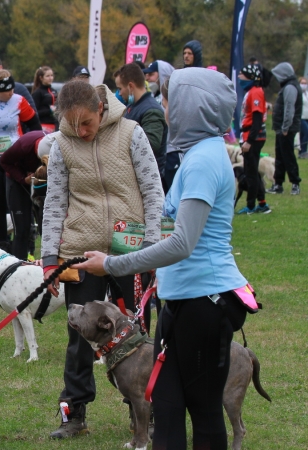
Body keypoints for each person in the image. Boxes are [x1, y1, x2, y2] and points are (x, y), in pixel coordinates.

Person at [74, 67, 248, 450]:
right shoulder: (197, 154)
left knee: (203, 411)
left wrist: (113, 265)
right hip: (183, 300)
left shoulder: (203, 161)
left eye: (169, 102)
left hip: (205, 301)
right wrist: (124, 249)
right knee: (166, 406)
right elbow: (170, 232)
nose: (164, 110)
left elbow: (183, 243)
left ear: (191, 107)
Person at [41, 80, 163, 439]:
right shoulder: (62, 145)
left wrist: (152, 248)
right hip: (81, 251)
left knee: (138, 335)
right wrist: (51, 258)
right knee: (79, 335)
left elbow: (153, 190)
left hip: (131, 251)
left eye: (86, 123)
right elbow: (54, 203)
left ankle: (145, 410)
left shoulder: (132, 133)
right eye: (72, 124)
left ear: (100, 108)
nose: (81, 132)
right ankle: (73, 412)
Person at [0, 69, 42, 249]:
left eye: (13, 88)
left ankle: (24, 248)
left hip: (14, 161)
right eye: (7, 90)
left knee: (18, 208)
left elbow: (35, 126)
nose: (12, 92)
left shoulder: (19, 101)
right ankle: (0, 249)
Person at [115, 63, 167, 187]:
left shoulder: (151, 110)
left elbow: (151, 144)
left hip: (148, 181)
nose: (120, 93)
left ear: (130, 86)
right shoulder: (132, 107)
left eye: (120, 88)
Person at [0, 130, 49, 259]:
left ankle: (49, 266)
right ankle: (17, 267)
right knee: (22, 229)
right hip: (18, 183)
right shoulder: (23, 146)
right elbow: (4, 161)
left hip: (41, 181)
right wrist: (22, 178)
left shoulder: (56, 144)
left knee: (47, 227)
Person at [236, 64, 271, 214]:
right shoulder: (251, 91)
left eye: (242, 75)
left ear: (251, 77)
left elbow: (257, 120)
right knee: (253, 171)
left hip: (253, 137)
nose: (239, 77)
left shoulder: (255, 92)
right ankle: (262, 203)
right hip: (250, 135)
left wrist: (249, 141)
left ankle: (251, 206)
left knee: (250, 173)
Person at [266, 62, 302, 195]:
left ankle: (295, 183)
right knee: (280, 157)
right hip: (282, 128)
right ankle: (278, 184)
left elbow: (289, 109)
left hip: (286, 128)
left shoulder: (290, 88)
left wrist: (285, 127)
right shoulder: (288, 86)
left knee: (288, 157)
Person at [31, 66, 58, 132]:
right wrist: (49, 111)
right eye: (47, 76)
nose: (50, 78)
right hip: (43, 125)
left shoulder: (54, 91)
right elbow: (34, 112)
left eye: (52, 75)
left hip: (55, 124)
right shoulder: (38, 92)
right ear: (41, 78)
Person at [299, 76, 308, 159]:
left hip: (307, 117)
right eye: (302, 83)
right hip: (301, 117)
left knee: (302, 135)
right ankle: (304, 151)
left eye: (305, 83)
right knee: (306, 132)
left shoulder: (307, 93)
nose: (304, 85)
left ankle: (301, 152)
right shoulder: (298, 93)